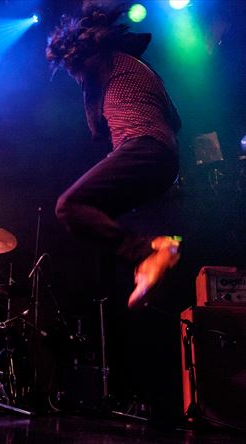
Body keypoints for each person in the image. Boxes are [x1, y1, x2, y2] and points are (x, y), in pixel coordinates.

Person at [46, 4, 182, 309]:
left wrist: (86, 86)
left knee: (69, 207)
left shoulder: (96, 64)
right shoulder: (142, 68)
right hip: (166, 160)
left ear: (78, 57)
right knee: (98, 217)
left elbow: (95, 129)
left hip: (143, 146)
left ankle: (151, 251)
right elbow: (176, 121)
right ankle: (147, 263)